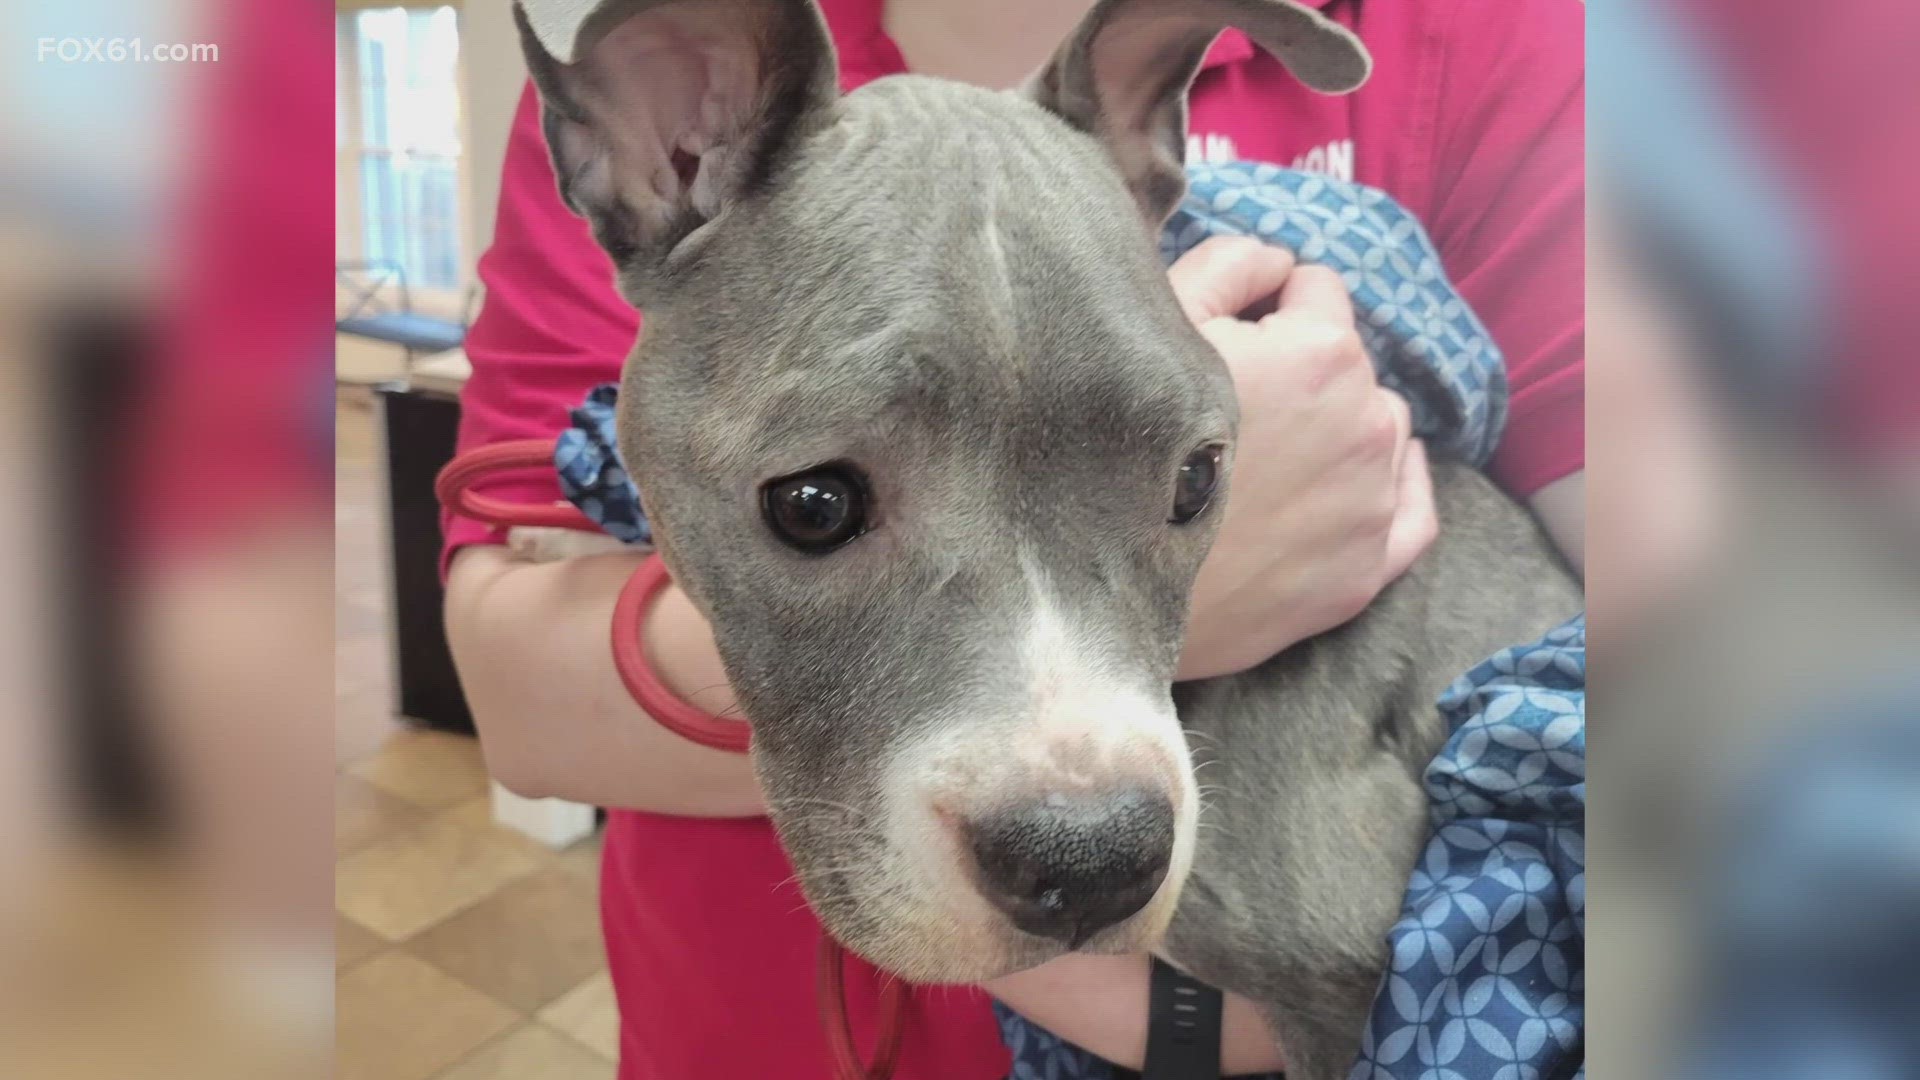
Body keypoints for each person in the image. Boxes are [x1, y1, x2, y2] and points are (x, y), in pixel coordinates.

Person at [442, 0, 1584, 1076]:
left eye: (1188, 486)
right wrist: (1214, 590)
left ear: (1152, 144)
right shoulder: (707, 121)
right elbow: (514, 702)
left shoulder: (1473, 32)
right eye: (821, 506)